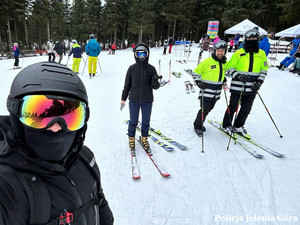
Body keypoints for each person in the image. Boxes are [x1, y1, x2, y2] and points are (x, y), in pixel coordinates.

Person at [0, 62, 114, 224]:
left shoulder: (85, 159)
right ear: (16, 116)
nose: (55, 128)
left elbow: (101, 208)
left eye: (69, 116)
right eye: (40, 114)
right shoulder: (7, 187)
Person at [222, 29, 268, 136]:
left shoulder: (261, 54)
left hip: (252, 87)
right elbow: (229, 68)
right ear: (246, 40)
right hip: (238, 86)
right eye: (249, 39)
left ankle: (238, 125)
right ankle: (226, 125)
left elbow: (264, 69)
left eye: (254, 39)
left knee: (246, 109)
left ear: (257, 40)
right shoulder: (239, 53)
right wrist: (238, 76)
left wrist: (259, 82)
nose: (251, 40)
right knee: (233, 107)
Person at [120, 43, 161, 154]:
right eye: (139, 54)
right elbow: (127, 85)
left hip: (147, 100)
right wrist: (123, 98)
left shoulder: (151, 69)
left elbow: (156, 87)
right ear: (135, 55)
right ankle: (131, 139)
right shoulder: (132, 69)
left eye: (143, 54)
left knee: (146, 121)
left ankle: (144, 139)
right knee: (133, 121)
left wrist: (155, 80)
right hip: (134, 99)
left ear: (147, 54)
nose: (141, 56)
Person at [192, 41, 228, 136]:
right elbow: (195, 73)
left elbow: (222, 72)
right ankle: (197, 125)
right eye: (218, 51)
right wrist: (198, 82)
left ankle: (199, 122)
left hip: (216, 92)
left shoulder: (224, 62)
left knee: (209, 108)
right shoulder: (207, 62)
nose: (220, 53)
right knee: (204, 109)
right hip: (206, 91)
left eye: (222, 51)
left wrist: (223, 77)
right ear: (214, 51)